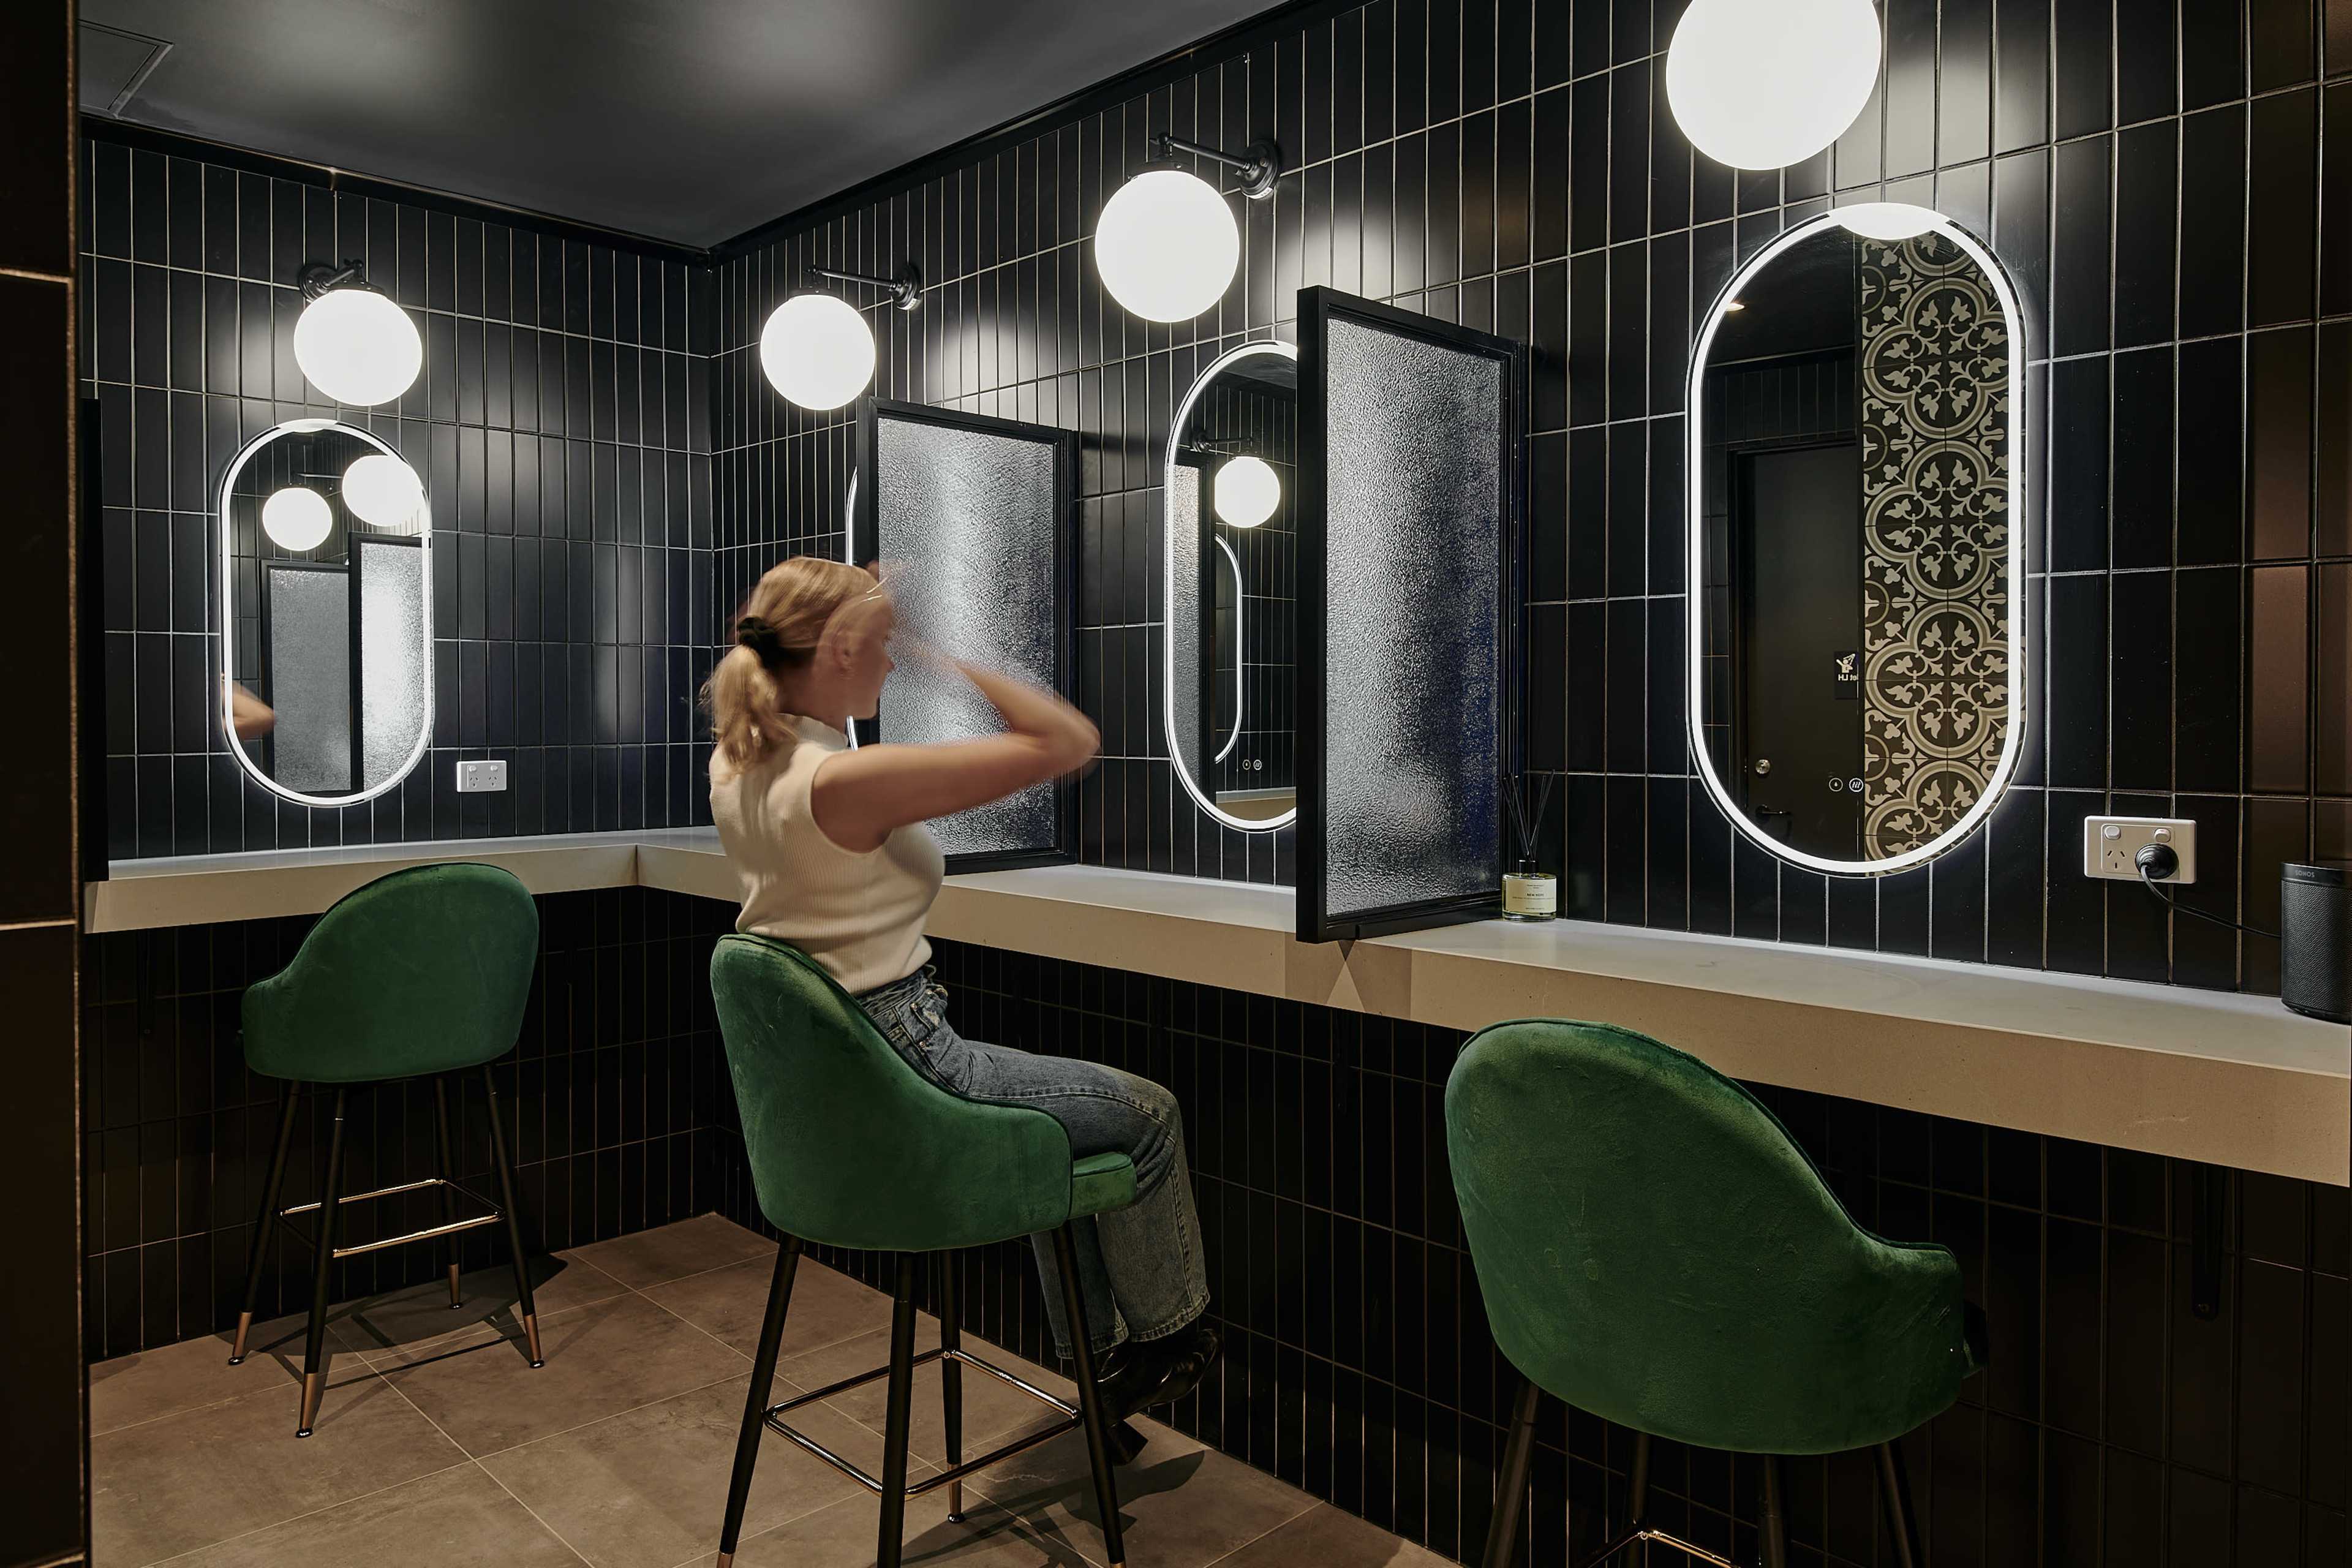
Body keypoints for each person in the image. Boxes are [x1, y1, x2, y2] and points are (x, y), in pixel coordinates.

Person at [704, 555, 1219, 1419]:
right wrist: (951, 655)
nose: (892, 662)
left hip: (848, 1083)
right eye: (879, 646)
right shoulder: (841, 782)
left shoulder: (742, 762)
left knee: (1050, 1138)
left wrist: (859, 607)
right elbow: (1067, 742)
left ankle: (1099, 1363)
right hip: (911, 1054)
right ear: (834, 650)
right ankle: (1175, 1341)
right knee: (1147, 1117)